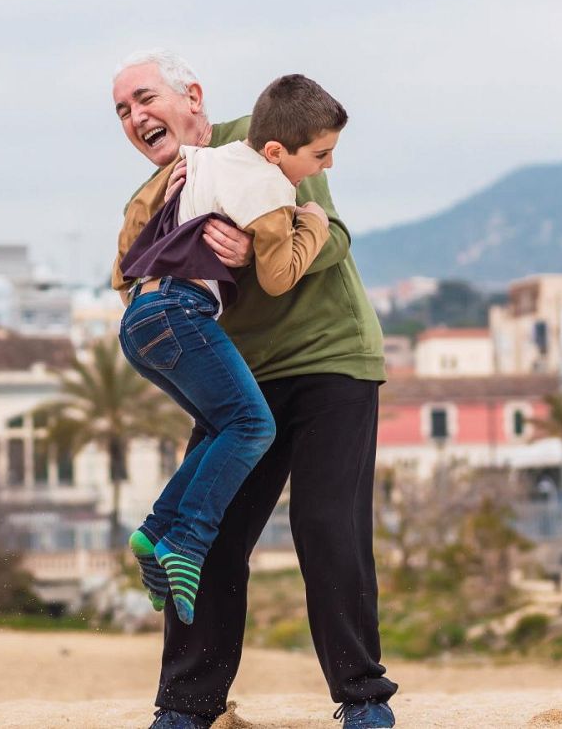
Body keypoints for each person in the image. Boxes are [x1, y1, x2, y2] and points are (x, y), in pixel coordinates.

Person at [110, 51, 398, 729]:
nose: (136, 117)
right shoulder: (158, 192)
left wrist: (258, 250)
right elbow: (130, 273)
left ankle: (362, 700)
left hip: (332, 359)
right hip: (244, 379)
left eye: (145, 98)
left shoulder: (267, 135)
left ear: (192, 98)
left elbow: (335, 237)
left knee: (328, 528)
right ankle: (185, 708)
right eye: (122, 111)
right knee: (209, 531)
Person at [114, 74, 341, 626]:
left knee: (224, 427)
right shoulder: (270, 189)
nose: (326, 168)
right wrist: (308, 222)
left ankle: (154, 531)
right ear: (275, 151)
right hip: (179, 311)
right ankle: (185, 544)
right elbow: (281, 275)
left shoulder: (202, 161)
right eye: (321, 155)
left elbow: (125, 260)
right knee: (253, 427)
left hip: (141, 319)